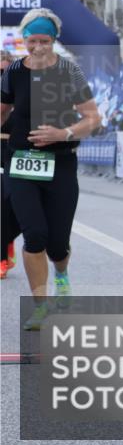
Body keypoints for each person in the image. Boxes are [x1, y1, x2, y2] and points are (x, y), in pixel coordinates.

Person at [0, 9, 101, 329]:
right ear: (24, 40)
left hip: (60, 162)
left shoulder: (69, 71)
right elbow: (2, 110)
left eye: (45, 41)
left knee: (57, 243)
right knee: (34, 234)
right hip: (21, 161)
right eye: (32, 41)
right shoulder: (13, 71)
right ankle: (41, 306)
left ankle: (61, 273)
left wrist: (64, 134)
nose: (38, 47)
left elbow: (92, 118)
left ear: (54, 40)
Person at [1, 50, 20, 278]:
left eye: (6, 71)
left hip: (18, 156)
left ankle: (7, 240)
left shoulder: (23, 95)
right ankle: (1, 258)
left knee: (16, 209)